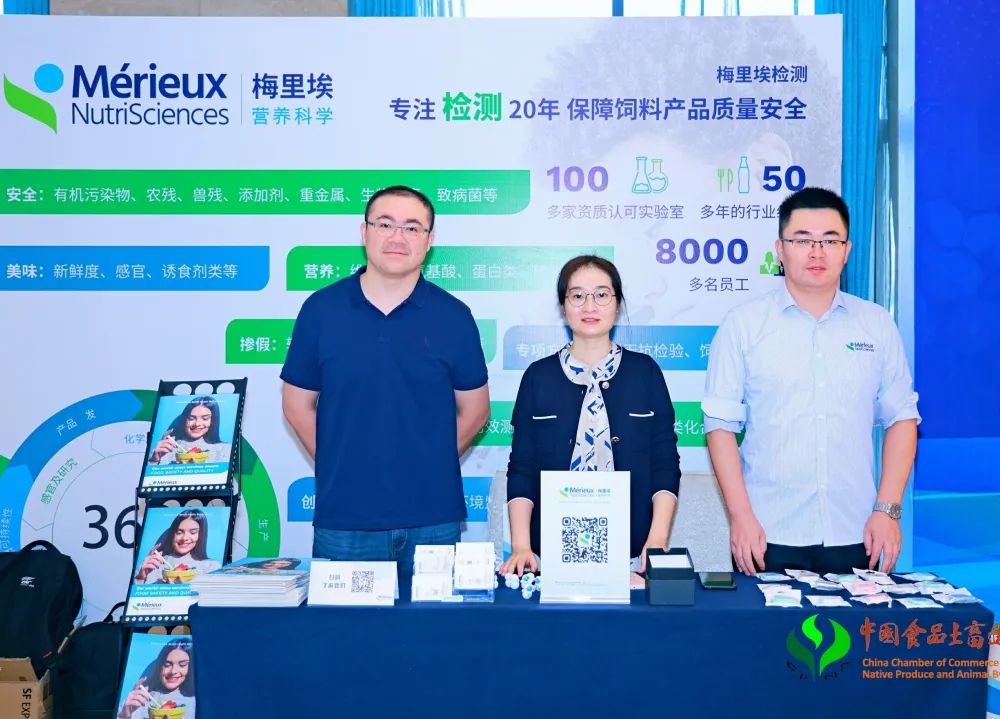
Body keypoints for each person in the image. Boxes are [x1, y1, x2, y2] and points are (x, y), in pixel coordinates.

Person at [702, 187, 919, 576]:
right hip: (766, 534)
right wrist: (740, 516)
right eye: (802, 240)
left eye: (830, 241)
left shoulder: (876, 324)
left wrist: (887, 511)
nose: (817, 252)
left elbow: (902, 418)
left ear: (846, 250)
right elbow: (719, 426)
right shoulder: (744, 325)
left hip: (857, 532)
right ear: (780, 250)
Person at [281, 185, 490, 579]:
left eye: (412, 228)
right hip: (345, 519)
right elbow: (296, 403)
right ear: (364, 232)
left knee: (433, 621)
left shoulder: (454, 316)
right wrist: (341, 463)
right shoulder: (321, 310)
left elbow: (476, 410)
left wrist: (428, 462)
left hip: (432, 518)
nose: (397, 237)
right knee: (344, 622)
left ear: (429, 241)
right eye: (385, 224)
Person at [499, 255, 681, 577]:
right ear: (563, 306)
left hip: (632, 556)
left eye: (601, 294)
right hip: (549, 557)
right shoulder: (538, 377)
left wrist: (657, 540)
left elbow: (664, 464)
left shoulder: (645, 373)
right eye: (577, 295)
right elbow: (522, 469)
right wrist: (521, 546)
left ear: (618, 304)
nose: (589, 306)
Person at [135, 509, 221, 584]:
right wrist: (140, 578)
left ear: (201, 535)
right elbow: (136, 596)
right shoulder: (152, 565)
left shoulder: (212, 567)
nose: (184, 538)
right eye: (179, 532)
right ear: (172, 534)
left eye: (193, 532)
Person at [117, 638, 196, 719]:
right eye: (167, 665)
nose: (173, 671)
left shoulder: (197, 700)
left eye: (182, 665)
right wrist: (124, 716)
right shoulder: (140, 697)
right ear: (160, 666)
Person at [148, 396, 232, 466]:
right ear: (185, 419)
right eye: (191, 418)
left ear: (213, 420)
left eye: (205, 418)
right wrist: (154, 461)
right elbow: (150, 480)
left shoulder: (225, 450)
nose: (197, 424)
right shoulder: (166, 450)